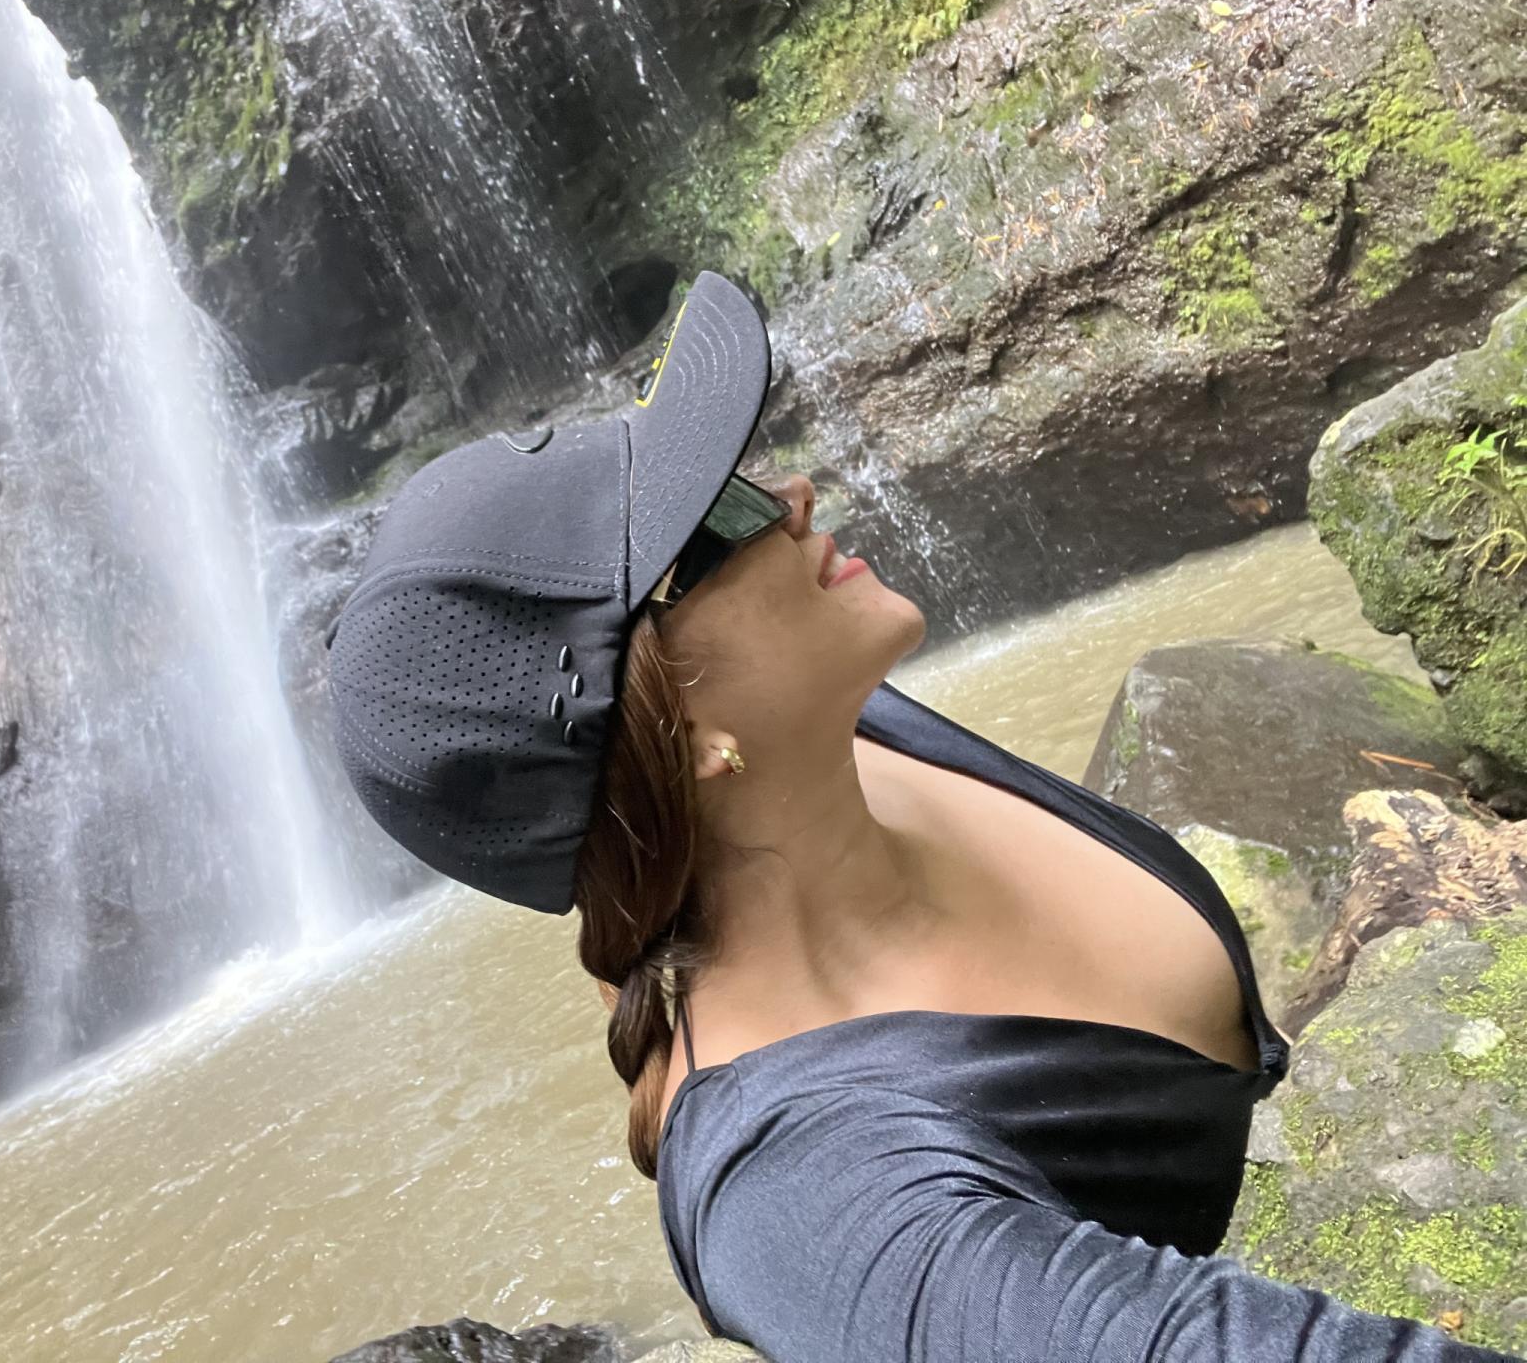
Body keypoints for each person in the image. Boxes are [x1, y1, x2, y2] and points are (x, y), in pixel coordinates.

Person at [323, 272, 1521, 1362]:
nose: (791, 495)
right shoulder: (810, 1203)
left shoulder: (844, 727)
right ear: (682, 738)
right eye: (721, 518)